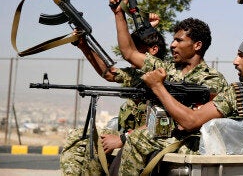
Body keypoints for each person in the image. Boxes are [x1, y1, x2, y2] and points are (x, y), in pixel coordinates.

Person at [117, 33, 243, 175]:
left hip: (220, 156)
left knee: (139, 139)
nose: (235, 61)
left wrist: (157, 87)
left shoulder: (239, 92)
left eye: (241, 56)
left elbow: (190, 121)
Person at [109, 0, 229, 175]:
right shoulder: (166, 68)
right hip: (160, 134)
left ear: (197, 45)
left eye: (179, 40)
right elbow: (129, 52)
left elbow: (194, 122)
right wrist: (119, 14)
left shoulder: (212, 80)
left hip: (189, 140)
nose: (172, 45)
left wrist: (159, 88)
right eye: (173, 40)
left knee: (138, 139)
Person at [60, 14, 166, 176]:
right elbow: (109, 73)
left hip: (146, 139)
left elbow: (161, 123)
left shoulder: (166, 77)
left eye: (135, 48)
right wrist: (84, 45)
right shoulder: (137, 75)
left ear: (153, 50)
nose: (129, 53)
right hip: (131, 135)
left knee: (97, 147)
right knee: (77, 135)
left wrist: (122, 139)